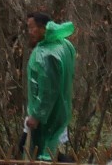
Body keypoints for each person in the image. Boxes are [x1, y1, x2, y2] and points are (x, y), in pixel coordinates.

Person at [22, 10, 77, 162]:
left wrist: (38, 115)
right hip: (60, 111)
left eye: (31, 27)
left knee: (43, 154)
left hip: (48, 117)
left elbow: (49, 89)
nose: (30, 32)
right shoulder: (63, 44)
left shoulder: (47, 53)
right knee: (46, 152)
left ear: (42, 28)